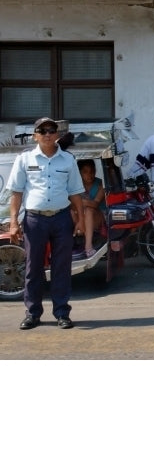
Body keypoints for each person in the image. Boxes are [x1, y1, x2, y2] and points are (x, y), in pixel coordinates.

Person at [7, 117, 86, 330]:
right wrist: (14, 222)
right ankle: (33, 314)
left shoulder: (68, 160)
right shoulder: (24, 159)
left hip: (61, 219)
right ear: (35, 136)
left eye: (51, 130)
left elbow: (76, 193)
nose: (47, 134)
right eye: (42, 130)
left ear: (57, 135)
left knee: (62, 267)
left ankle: (62, 313)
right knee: (33, 268)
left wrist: (79, 220)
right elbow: (16, 193)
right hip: (34, 220)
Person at [75, 158, 106, 258]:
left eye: (92, 171)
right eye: (85, 172)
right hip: (81, 218)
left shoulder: (100, 184)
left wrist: (81, 202)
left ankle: (88, 246)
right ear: (79, 173)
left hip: (98, 217)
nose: (89, 175)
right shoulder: (76, 185)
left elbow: (95, 204)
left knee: (89, 210)